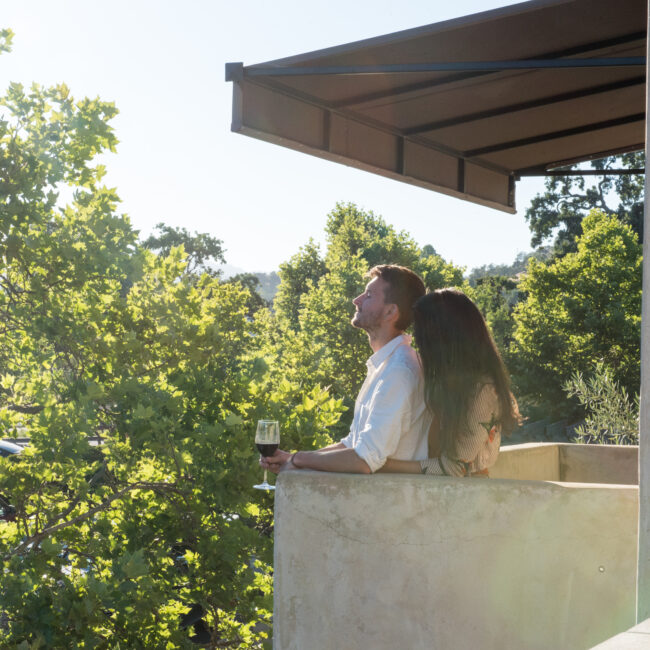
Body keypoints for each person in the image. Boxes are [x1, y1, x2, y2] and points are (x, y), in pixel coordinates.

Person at [262, 264, 430, 474]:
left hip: (387, 502)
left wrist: (298, 459)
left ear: (390, 311)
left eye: (368, 295)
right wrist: (291, 459)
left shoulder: (399, 372)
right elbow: (352, 444)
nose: (356, 300)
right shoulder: (385, 365)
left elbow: (363, 460)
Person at [379, 288, 519, 478]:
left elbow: (454, 467)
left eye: (421, 332)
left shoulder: (482, 390)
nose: (417, 341)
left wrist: (384, 465)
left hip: (467, 499)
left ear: (442, 337)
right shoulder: (451, 384)